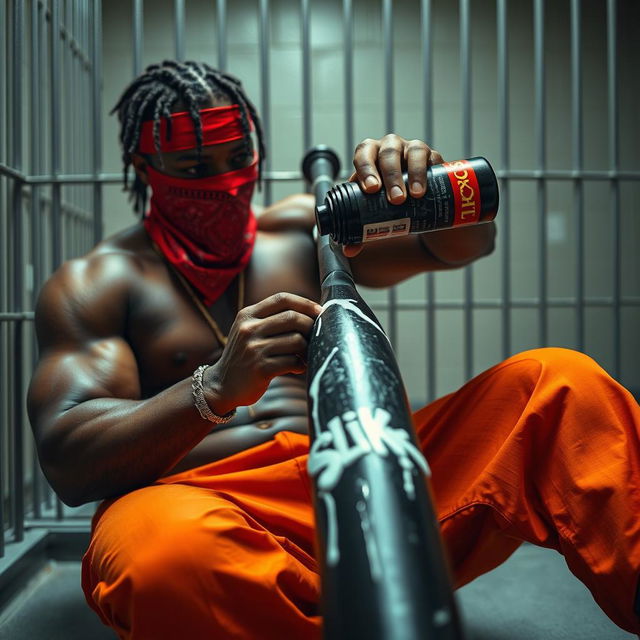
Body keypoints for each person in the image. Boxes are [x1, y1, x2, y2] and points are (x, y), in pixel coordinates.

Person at [26, 60, 640, 639]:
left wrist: (432, 185)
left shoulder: (303, 226)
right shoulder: (97, 283)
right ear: (142, 163)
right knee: (164, 559)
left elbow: (462, 244)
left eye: (238, 157)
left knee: (560, 384)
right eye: (191, 167)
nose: (221, 181)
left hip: (373, 476)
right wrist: (210, 390)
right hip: (204, 503)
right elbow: (70, 461)